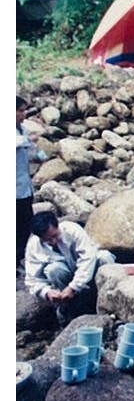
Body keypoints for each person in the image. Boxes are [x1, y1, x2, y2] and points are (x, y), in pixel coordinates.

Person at [25, 211, 115, 326]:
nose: (53, 242)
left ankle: (109, 303)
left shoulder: (72, 230)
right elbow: (32, 279)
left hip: (88, 273)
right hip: (65, 279)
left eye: (55, 236)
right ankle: (68, 309)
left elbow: (88, 257)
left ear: (58, 226)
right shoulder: (33, 246)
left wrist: (73, 287)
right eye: (47, 240)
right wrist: (46, 292)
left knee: (104, 257)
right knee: (53, 269)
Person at [16, 95, 46, 272]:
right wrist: (29, 140)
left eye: (24, 110)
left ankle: (18, 258)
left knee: (25, 226)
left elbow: (30, 151)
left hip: (24, 188)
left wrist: (41, 156)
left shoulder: (22, 129)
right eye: (20, 111)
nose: (23, 114)